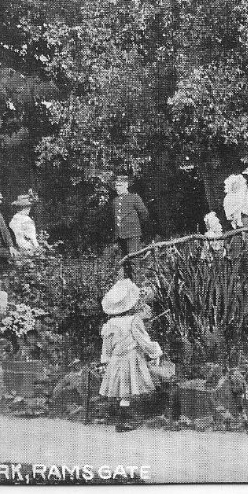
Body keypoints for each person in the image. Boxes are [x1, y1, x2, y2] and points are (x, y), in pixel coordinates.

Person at [98, 278, 164, 431]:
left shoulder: (110, 324)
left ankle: (122, 419)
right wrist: (155, 352)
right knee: (127, 389)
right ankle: (124, 420)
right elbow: (143, 341)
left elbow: (107, 347)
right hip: (130, 358)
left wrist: (106, 361)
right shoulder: (134, 321)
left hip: (116, 359)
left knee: (122, 390)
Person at [111, 175, 149, 278]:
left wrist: (135, 226)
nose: (117, 188)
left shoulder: (134, 198)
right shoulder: (115, 201)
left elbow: (144, 213)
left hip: (132, 235)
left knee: (134, 262)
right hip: (120, 236)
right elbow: (114, 220)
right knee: (122, 264)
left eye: (119, 185)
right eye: (116, 185)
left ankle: (137, 288)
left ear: (126, 185)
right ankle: (125, 289)